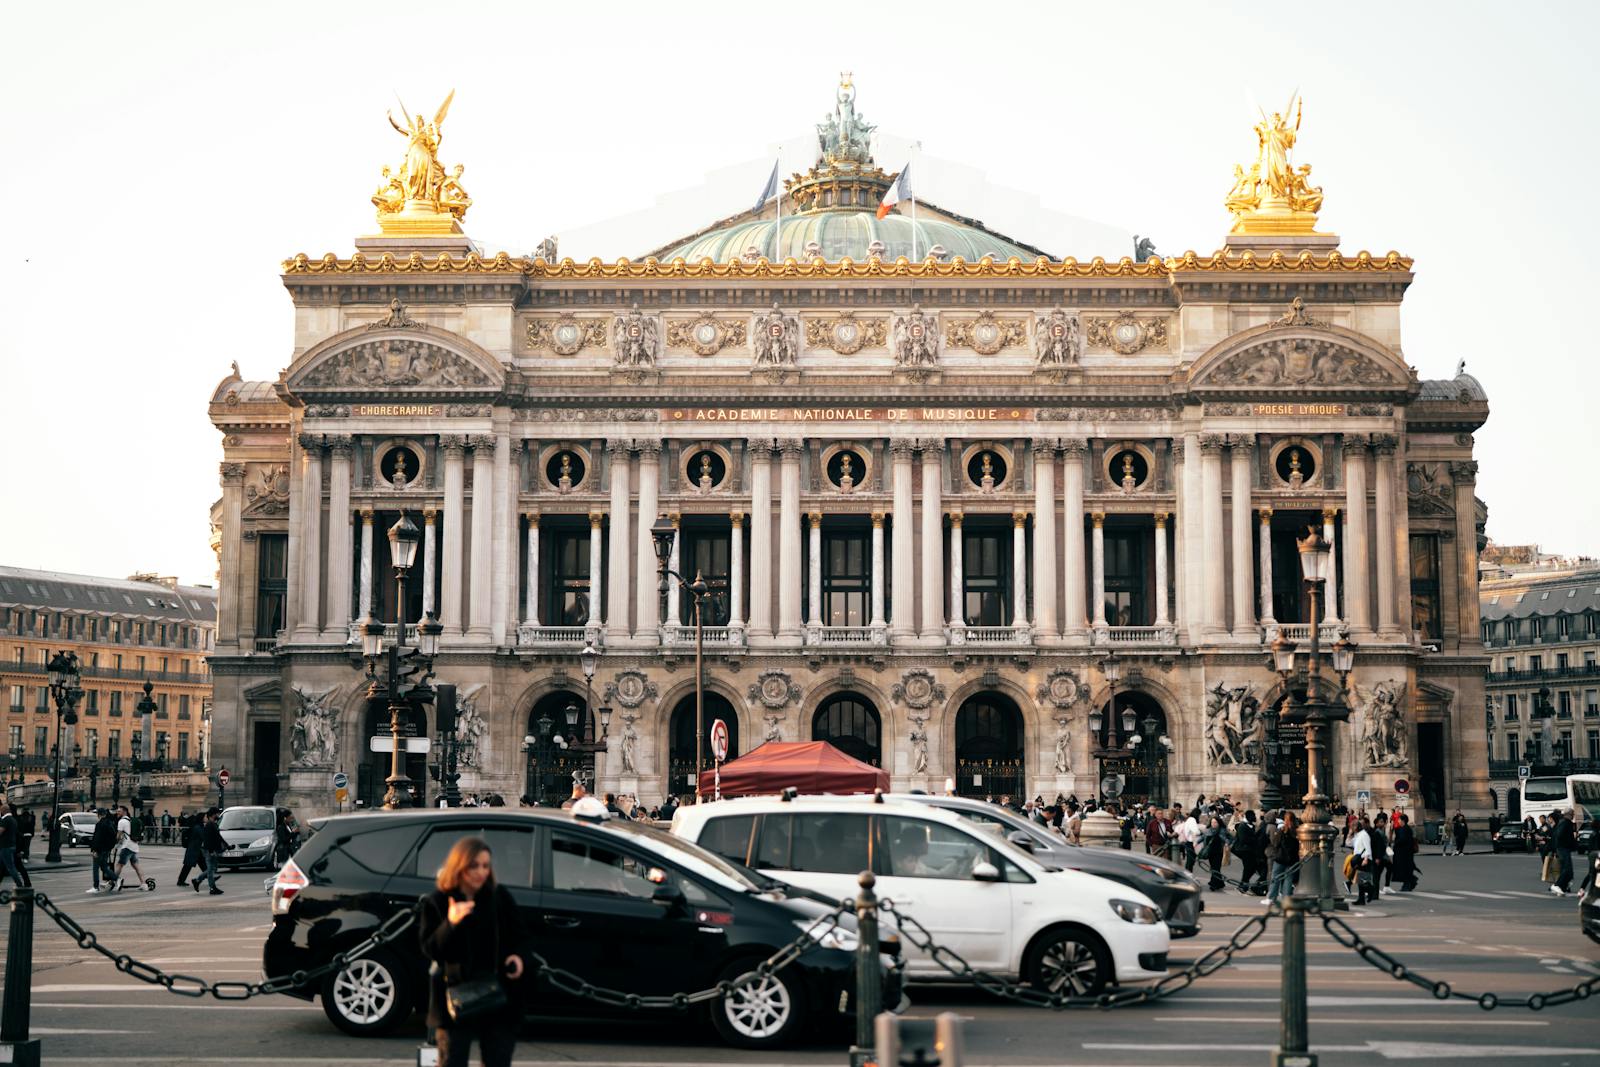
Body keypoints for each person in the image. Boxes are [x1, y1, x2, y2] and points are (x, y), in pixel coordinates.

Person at [419, 836, 531, 1067]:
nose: (480, 872)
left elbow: (520, 936)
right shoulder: (439, 901)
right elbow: (431, 949)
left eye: (485, 866)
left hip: (498, 992)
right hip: (455, 996)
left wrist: (517, 956)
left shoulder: (499, 897)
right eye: (474, 866)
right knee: (452, 1061)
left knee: (498, 1060)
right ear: (460, 866)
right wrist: (451, 923)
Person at [112, 805, 154, 892]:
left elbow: (118, 836)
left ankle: (115, 881)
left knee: (119, 865)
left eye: (119, 811)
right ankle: (144, 884)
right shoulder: (130, 820)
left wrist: (115, 843)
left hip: (127, 847)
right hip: (134, 846)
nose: (117, 812)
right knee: (136, 866)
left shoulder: (121, 821)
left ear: (124, 812)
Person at [1265, 811, 1299, 904]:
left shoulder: (1282, 830)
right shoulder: (1297, 830)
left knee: (1275, 877)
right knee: (1288, 879)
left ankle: (1272, 897)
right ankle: (1286, 898)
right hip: (1292, 858)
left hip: (1281, 857)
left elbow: (1275, 843)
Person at [192, 808, 225, 894]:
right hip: (209, 850)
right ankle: (212, 888)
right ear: (213, 814)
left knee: (212, 868)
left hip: (212, 849)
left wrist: (227, 846)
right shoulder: (209, 825)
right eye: (218, 814)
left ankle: (197, 880)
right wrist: (211, 851)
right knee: (210, 869)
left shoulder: (212, 824)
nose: (218, 816)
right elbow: (207, 840)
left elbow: (218, 837)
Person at [0, 799, 31, 888]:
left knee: (12, 867)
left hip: (9, 846)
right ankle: (26, 883)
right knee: (4, 867)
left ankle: (20, 884)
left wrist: (20, 850)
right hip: (14, 845)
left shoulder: (6, 820)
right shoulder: (15, 819)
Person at [90, 807, 119, 893]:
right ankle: (117, 879)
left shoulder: (100, 824)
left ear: (98, 815)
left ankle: (96, 887)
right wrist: (109, 847)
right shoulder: (110, 823)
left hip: (99, 849)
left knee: (95, 868)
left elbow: (97, 839)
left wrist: (94, 850)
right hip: (106, 849)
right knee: (104, 867)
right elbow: (114, 837)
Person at [1350, 816, 1377, 905]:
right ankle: (1361, 899)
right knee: (1360, 881)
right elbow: (1348, 843)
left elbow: (1368, 849)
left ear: (1356, 827)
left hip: (1365, 860)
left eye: (1352, 826)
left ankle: (1371, 890)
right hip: (1359, 859)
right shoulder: (1357, 835)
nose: (1351, 828)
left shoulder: (1364, 835)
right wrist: (1349, 835)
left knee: (1363, 881)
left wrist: (1365, 859)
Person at [177, 812, 207, 887]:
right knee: (187, 866)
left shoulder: (199, 826)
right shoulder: (198, 827)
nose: (206, 818)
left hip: (196, 849)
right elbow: (203, 836)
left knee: (203, 865)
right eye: (205, 817)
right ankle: (180, 881)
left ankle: (211, 877)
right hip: (193, 850)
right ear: (201, 818)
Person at [1390, 812, 1419, 892]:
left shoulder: (1404, 829)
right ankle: (1410, 882)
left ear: (1403, 820)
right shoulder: (1405, 828)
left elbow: (1402, 840)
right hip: (1405, 853)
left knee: (1404, 869)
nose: (1398, 821)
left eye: (1399, 820)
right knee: (1406, 869)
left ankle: (1408, 884)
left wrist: (1395, 844)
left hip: (1404, 853)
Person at [1552, 809, 1578, 896]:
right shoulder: (1566, 822)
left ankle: (1562, 887)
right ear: (1568, 814)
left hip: (1563, 848)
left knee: (1567, 870)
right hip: (1563, 848)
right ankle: (1557, 885)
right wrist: (1569, 842)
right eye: (1572, 813)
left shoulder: (1564, 822)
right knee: (1567, 869)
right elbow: (1559, 835)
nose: (1574, 815)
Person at [1367, 813, 1388, 900]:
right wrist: (1378, 858)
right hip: (1378, 858)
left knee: (1376, 877)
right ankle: (1374, 894)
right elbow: (1378, 847)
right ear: (1376, 824)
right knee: (1375, 877)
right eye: (1381, 822)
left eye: (1383, 822)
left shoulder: (1380, 832)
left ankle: (1374, 894)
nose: (1383, 823)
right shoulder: (1377, 833)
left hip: (1380, 857)